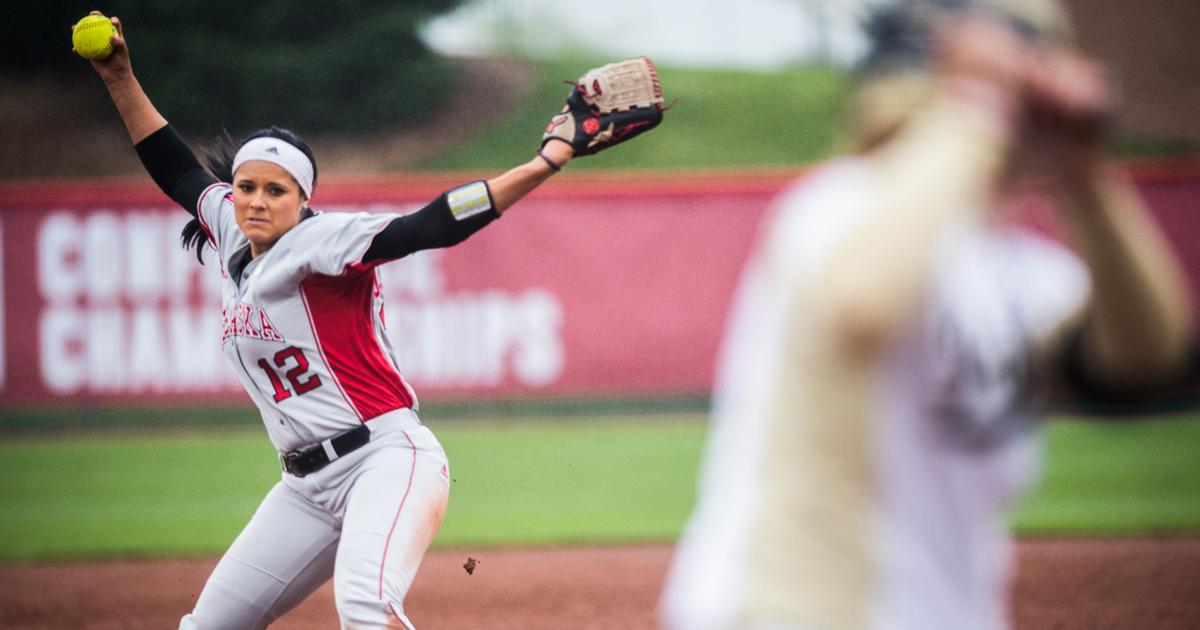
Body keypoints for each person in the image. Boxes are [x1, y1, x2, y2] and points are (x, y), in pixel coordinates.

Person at [75, 11, 662, 630]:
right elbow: (175, 167)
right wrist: (119, 77)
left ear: (304, 200)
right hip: (304, 488)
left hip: (385, 460)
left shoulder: (323, 241)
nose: (255, 200)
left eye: (276, 191)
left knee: (364, 607)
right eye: (247, 186)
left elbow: (430, 224)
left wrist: (544, 162)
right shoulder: (229, 226)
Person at [659, 1, 1195, 629]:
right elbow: (865, 300)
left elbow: (1150, 358)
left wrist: (1085, 176)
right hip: (787, 610)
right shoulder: (837, 203)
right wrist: (976, 110)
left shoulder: (1020, 269)